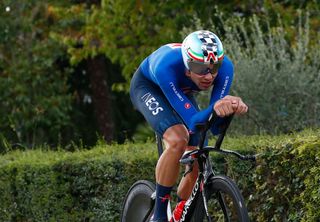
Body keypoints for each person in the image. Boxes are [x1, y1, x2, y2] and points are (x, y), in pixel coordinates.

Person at [129, 30, 248, 222]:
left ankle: (180, 211)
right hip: (149, 88)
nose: (209, 76)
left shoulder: (225, 68)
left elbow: (213, 125)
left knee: (197, 148)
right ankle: (158, 215)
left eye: (213, 67)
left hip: (180, 90)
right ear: (187, 66)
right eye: (200, 68)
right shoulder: (165, 67)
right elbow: (194, 120)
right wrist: (217, 109)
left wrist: (230, 108)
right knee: (178, 139)